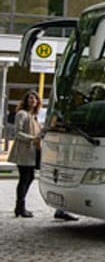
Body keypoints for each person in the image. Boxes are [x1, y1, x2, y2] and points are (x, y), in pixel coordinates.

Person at [9, 90, 77, 220]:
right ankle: (20, 207)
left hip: (32, 151)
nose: (33, 101)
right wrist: (32, 139)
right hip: (24, 151)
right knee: (25, 178)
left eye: (35, 99)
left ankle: (20, 207)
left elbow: (38, 132)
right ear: (26, 101)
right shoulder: (22, 114)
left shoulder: (33, 116)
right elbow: (17, 133)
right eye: (30, 98)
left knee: (28, 178)